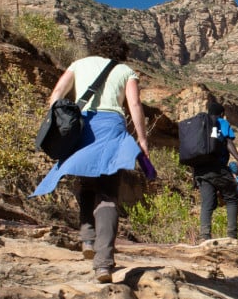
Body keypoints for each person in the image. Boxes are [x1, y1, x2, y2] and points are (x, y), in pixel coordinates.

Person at [30, 30, 149, 284]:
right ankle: (104, 263)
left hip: (83, 128)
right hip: (112, 129)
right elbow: (135, 105)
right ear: (121, 51)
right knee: (108, 194)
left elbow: (56, 95)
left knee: (85, 183)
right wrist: (142, 139)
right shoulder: (125, 71)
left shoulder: (78, 64)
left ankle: (86, 236)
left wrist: (58, 123)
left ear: (97, 46)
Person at [193, 101, 238, 241]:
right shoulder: (222, 122)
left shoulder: (199, 124)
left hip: (200, 170)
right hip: (217, 167)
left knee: (207, 203)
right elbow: (228, 141)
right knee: (232, 197)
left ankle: (204, 236)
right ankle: (232, 236)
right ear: (222, 113)